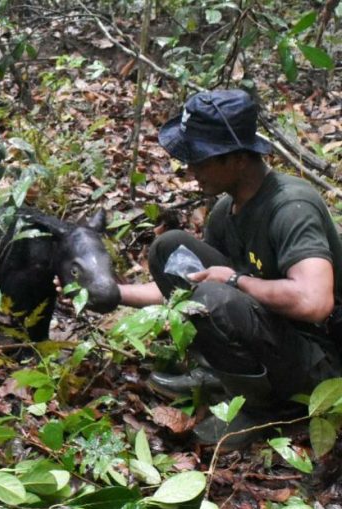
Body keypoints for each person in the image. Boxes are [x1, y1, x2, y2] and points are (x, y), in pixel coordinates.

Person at [118, 89, 342, 445]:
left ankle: (268, 409)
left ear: (238, 159)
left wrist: (237, 281)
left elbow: (315, 301)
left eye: (200, 159)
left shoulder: (291, 207)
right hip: (272, 332)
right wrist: (115, 293)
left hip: (320, 360)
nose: (190, 170)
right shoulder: (227, 210)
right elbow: (196, 282)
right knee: (169, 249)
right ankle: (223, 373)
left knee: (213, 297)